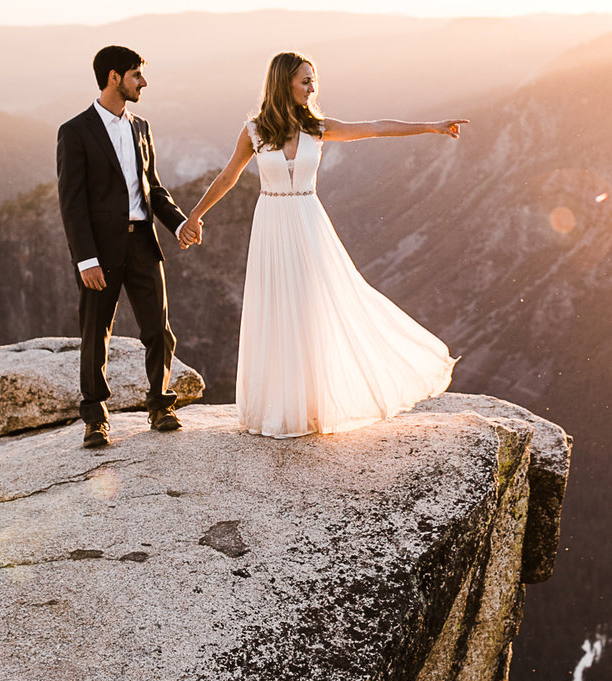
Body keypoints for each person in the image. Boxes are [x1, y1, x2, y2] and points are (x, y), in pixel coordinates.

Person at [176, 51, 464, 437]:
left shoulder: (317, 128)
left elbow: (375, 128)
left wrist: (430, 127)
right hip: (272, 223)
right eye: (305, 81)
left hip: (309, 223)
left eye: (314, 81)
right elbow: (228, 176)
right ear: (284, 83)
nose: (313, 88)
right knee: (276, 311)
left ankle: (311, 407)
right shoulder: (254, 131)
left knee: (312, 309)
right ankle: (279, 412)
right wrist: (194, 215)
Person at [54, 46, 189, 448]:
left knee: (159, 331)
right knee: (96, 333)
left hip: (143, 244)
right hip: (100, 252)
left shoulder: (141, 127)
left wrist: (179, 223)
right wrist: (85, 259)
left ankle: (161, 405)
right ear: (114, 77)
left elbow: (154, 188)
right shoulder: (75, 131)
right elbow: (72, 204)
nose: (143, 83)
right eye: (136, 75)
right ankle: (95, 418)